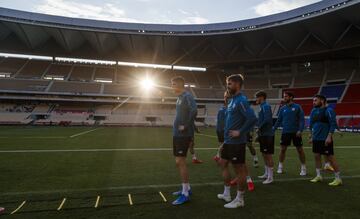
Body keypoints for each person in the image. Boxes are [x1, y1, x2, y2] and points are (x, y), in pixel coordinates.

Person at [217, 74, 257, 208]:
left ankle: (240, 199)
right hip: (228, 142)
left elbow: (252, 118)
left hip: (237, 142)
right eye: (227, 83)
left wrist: (240, 131)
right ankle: (227, 193)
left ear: (237, 84)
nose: (227, 86)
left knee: (239, 170)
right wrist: (224, 142)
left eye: (230, 83)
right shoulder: (232, 100)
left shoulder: (241, 100)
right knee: (223, 164)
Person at [170, 76, 197, 205]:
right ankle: (187, 188)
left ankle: (185, 194)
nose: (172, 86)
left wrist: (186, 125)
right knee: (178, 161)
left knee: (181, 161)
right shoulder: (180, 98)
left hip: (183, 134)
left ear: (181, 85)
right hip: (177, 134)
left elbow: (194, 110)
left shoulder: (187, 96)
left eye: (174, 84)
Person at [309, 95, 342, 186]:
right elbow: (311, 124)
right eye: (313, 100)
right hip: (316, 138)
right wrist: (311, 136)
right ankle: (319, 176)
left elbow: (332, 124)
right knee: (317, 156)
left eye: (316, 100)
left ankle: (338, 178)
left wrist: (329, 136)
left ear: (322, 101)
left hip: (325, 139)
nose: (314, 102)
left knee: (330, 158)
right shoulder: (313, 111)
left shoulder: (329, 110)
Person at [273, 91, 306, 176]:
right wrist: (273, 129)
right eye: (284, 96)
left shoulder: (297, 107)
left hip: (296, 132)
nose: (284, 98)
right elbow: (278, 120)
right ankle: (280, 167)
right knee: (283, 149)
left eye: (286, 96)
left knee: (300, 150)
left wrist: (300, 130)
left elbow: (302, 119)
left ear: (291, 97)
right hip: (285, 132)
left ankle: (303, 168)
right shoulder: (282, 108)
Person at [255, 90, 275, 184]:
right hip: (263, 134)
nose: (256, 99)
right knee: (264, 154)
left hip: (268, 134)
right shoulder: (261, 107)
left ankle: (271, 177)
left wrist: (259, 128)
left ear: (261, 97)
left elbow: (267, 120)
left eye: (257, 97)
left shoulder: (266, 106)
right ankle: (266, 173)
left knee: (268, 155)